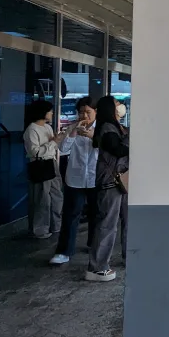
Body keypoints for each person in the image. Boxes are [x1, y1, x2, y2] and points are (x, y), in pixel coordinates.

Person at [49, 97, 99, 265]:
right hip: (75, 178)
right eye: (81, 112)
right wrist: (73, 132)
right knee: (71, 215)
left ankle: (94, 244)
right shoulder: (72, 127)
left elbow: (106, 149)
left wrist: (93, 136)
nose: (84, 115)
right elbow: (63, 149)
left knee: (96, 214)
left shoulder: (102, 129)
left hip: (95, 178)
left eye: (88, 112)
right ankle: (64, 251)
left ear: (95, 112)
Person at [87, 96, 129, 282]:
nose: (120, 107)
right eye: (117, 104)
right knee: (107, 225)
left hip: (121, 182)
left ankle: (129, 256)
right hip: (111, 182)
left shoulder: (116, 127)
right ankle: (97, 267)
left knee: (128, 221)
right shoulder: (107, 129)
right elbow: (119, 150)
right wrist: (131, 138)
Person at [24, 99, 72, 239]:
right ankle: (39, 229)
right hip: (40, 165)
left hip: (52, 162)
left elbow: (53, 145)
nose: (51, 113)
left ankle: (55, 225)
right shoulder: (32, 129)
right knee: (41, 199)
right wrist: (53, 142)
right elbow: (35, 152)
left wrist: (57, 140)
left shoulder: (47, 127)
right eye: (50, 111)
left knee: (57, 196)